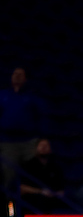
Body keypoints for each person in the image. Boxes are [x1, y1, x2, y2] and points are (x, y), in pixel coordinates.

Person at [0, 68, 46, 198]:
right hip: (7, 142)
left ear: (26, 79)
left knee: (32, 175)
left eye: (21, 74)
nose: (17, 76)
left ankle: (33, 203)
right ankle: (9, 207)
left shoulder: (32, 97)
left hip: (29, 141)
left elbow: (41, 117)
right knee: (8, 176)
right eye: (15, 73)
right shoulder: (2, 95)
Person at [18, 138, 66, 212]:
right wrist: (41, 192)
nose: (43, 147)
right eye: (41, 145)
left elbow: (61, 189)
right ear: (36, 149)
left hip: (52, 199)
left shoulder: (55, 167)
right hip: (33, 199)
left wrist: (56, 193)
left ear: (51, 149)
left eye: (46, 145)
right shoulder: (27, 165)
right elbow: (21, 188)